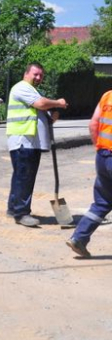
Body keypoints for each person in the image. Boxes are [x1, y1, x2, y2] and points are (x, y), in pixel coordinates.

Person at [6, 62, 68, 227]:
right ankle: (21, 213)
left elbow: (43, 115)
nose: (39, 77)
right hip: (23, 140)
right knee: (25, 177)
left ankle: (14, 208)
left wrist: (52, 117)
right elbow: (40, 104)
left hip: (30, 141)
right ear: (26, 73)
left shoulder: (34, 92)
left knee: (20, 176)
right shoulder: (22, 87)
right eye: (36, 74)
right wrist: (58, 103)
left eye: (41, 75)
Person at [66, 90, 112, 258]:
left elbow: (93, 124)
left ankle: (79, 238)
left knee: (102, 202)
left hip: (103, 157)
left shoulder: (107, 96)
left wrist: (99, 149)